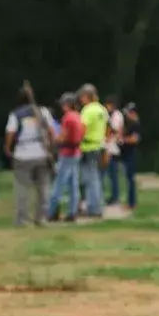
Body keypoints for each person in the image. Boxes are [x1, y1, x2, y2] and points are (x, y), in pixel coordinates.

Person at [5, 89, 56, 227]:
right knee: (43, 188)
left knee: (22, 189)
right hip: (41, 153)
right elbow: (51, 131)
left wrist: (8, 149)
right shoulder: (43, 112)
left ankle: (22, 220)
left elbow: (10, 133)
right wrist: (50, 148)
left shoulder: (16, 114)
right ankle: (41, 218)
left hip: (22, 154)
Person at [47, 92, 85, 223]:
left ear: (67, 105)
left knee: (59, 183)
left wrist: (53, 139)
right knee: (73, 184)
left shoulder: (67, 118)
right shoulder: (78, 116)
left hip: (67, 152)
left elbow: (62, 137)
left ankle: (51, 212)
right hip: (77, 152)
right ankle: (72, 212)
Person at [76, 83, 108, 219]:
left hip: (87, 146)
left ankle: (94, 208)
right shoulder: (102, 110)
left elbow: (82, 128)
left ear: (86, 96)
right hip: (98, 146)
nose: (80, 100)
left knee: (89, 179)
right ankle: (97, 205)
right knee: (94, 177)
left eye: (82, 97)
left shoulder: (88, 110)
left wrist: (76, 140)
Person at [112, 102, 142, 214]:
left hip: (131, 154)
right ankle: (130, 202)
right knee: (128, 179)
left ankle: (132, 203)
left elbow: (135, 139)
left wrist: (123, 140)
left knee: (130, 179)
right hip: (126, 154)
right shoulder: (129, 124)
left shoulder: (135, 124)